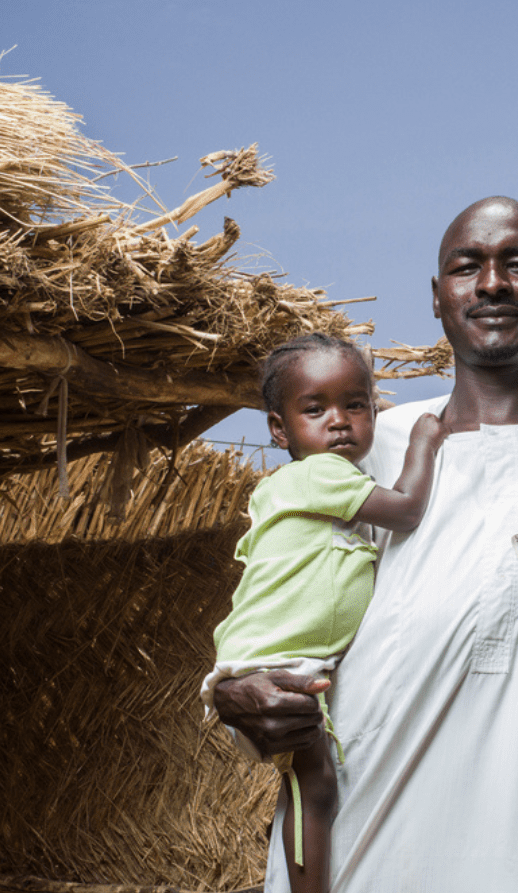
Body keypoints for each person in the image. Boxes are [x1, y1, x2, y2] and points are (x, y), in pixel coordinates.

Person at [211, 197, 518, 891]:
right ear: (436, 297)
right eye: (467, 267)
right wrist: (235, 692)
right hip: (363, 857)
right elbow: (273, 613)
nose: (491, 284)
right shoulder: (359, 457)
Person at [201, 333, 447, 893]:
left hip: (263, 657)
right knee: (317, 790)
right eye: (316, 409)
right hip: (279, 662)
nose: (339, 422)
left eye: (355, 405)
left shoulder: (299, 486)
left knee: (305, 787)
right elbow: (406, 510)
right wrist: (425, 441)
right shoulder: (323, 474)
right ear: (279, 430)